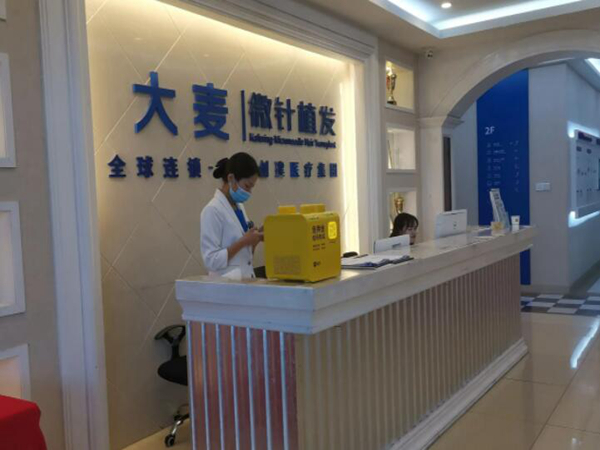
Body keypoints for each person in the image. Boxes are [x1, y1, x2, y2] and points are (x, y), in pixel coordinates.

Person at [200, 152, 263, 279]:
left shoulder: (239, 207)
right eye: (247, 186)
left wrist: (255, 239)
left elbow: (245, 256)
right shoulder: (212, 210)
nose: (249, 192)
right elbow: (211, 261)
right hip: (225, 285)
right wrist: (244, 241)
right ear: (231, 178)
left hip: (245, 281)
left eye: (251, 188)